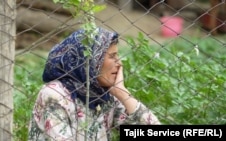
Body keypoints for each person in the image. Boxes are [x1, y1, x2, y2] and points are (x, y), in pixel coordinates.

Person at [28, 27, 161, 141]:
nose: (119, 63)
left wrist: (122, 92)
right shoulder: (55, 95)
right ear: (91, 61)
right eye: (112, 56)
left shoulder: (104, 94)